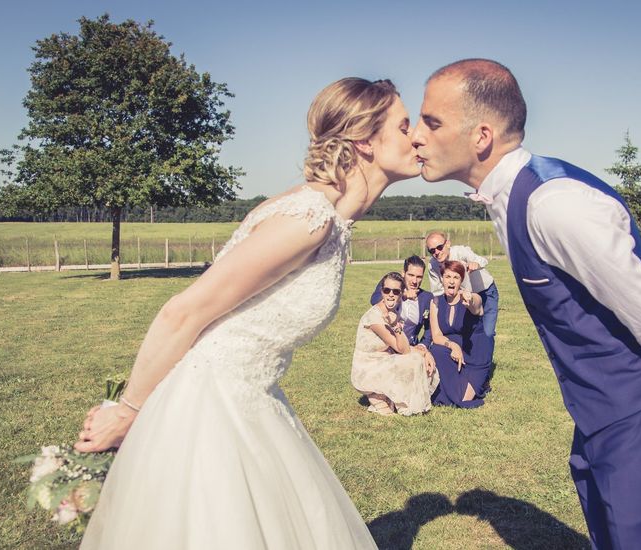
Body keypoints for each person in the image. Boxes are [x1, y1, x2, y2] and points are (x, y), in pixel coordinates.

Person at [411, 58, 641, 550]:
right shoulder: (506, 198)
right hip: (600, 417)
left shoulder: (553, 205)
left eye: (431, 122)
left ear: (480, 136)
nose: (416, 135)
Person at [74, 77, 421, 549]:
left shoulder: (333, 221)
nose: (417, 134)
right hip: (211, 407)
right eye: (404, 126)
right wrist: (128, 411)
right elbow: (184, 311)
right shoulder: (308, 219)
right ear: (364, 141)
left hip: (254, 399)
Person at [352, 272, 439, 416]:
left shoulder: (393, 313)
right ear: (382, 291)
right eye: (387, 290)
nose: (391, 294)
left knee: (420, 359)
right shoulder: (375, 317)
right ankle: (376, 393)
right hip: (367, 367)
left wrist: (425, 352)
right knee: (414, 359)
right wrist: (396, 327)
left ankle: (387, 397)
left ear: (401, 294)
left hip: (385, 360)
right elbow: (403, 350)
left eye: (396, 291)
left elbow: (402, 347)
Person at [428, 260, 493, 408]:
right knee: (436, 350)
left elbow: (476, 306)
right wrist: (453, 346)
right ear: (441, 279)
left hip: (475, 356)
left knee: (463, 400)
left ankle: (479, 381)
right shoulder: (435, 302)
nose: (451, 281)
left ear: (461, 280)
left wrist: (470, 301)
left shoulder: (470, 297)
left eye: (456, 277)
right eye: (447, 277)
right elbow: (437, 335)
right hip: (453, 354)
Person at [424, 231, 499, 339]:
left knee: (487, 332)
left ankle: (486, 354)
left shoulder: (460, 251)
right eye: (432, 250)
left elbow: (482, 260)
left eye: (440, 247)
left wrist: (476, 264)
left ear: (448, 244)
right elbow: (437, 291)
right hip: (462, 298)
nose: (437, 252)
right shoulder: (433, 265)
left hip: (485, 292)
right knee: (468, 334)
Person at [369, 255, 433, 345]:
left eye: (419, 277)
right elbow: (374, 300)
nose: (414, 281)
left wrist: (422, 345)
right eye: (411, 275)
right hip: (385, 343)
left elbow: (430, 328)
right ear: (403, 273)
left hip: (409, 346)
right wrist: (402, 295)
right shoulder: (392, 284)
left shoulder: (426, 297)